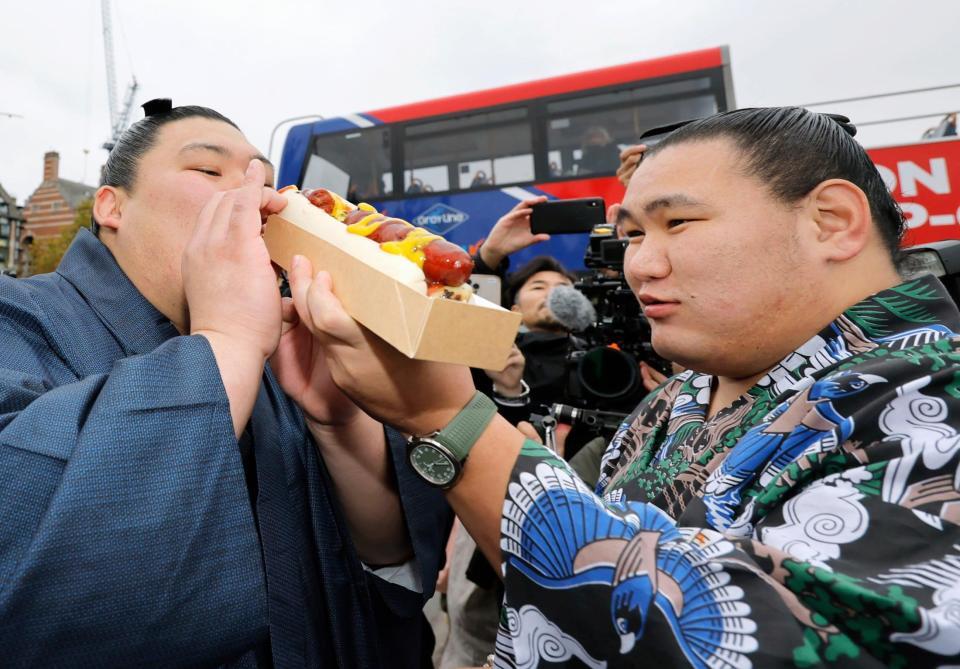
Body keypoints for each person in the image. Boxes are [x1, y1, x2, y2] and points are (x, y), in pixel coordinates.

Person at [287, 106, 960, 667]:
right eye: (632, 233)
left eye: (677, 223)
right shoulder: (675, 398)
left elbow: (747, 640)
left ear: (831, 221)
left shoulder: (937, 397)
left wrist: (451, 421)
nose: (642, 262)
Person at [0, 100, 450, 667]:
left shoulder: (287, 342)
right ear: (111, 207)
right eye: (209, 171)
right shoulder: (16, 314)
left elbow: (389, 556)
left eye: (262, 175)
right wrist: (228, 343)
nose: (257, 195)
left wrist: (338, 424)